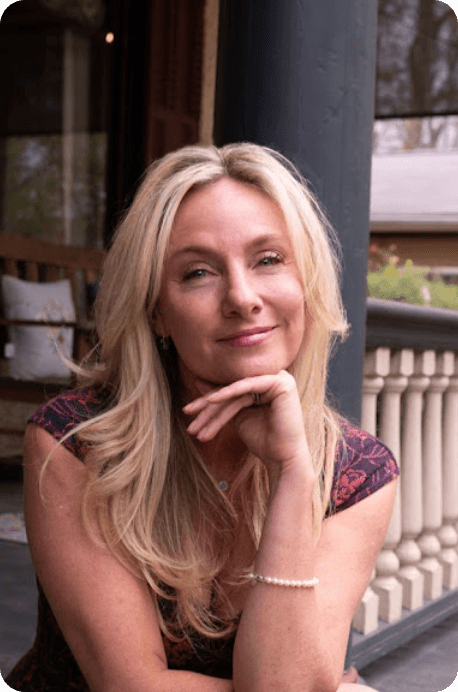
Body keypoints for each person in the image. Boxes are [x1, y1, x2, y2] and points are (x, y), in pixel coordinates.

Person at [5, 143, 398, 692]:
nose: (242, 297)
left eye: (268, 259)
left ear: (305, 283)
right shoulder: (74, 443)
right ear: (157, 311)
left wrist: (291, 474)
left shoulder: (358, 472)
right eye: (197, 272)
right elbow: (133, 687)